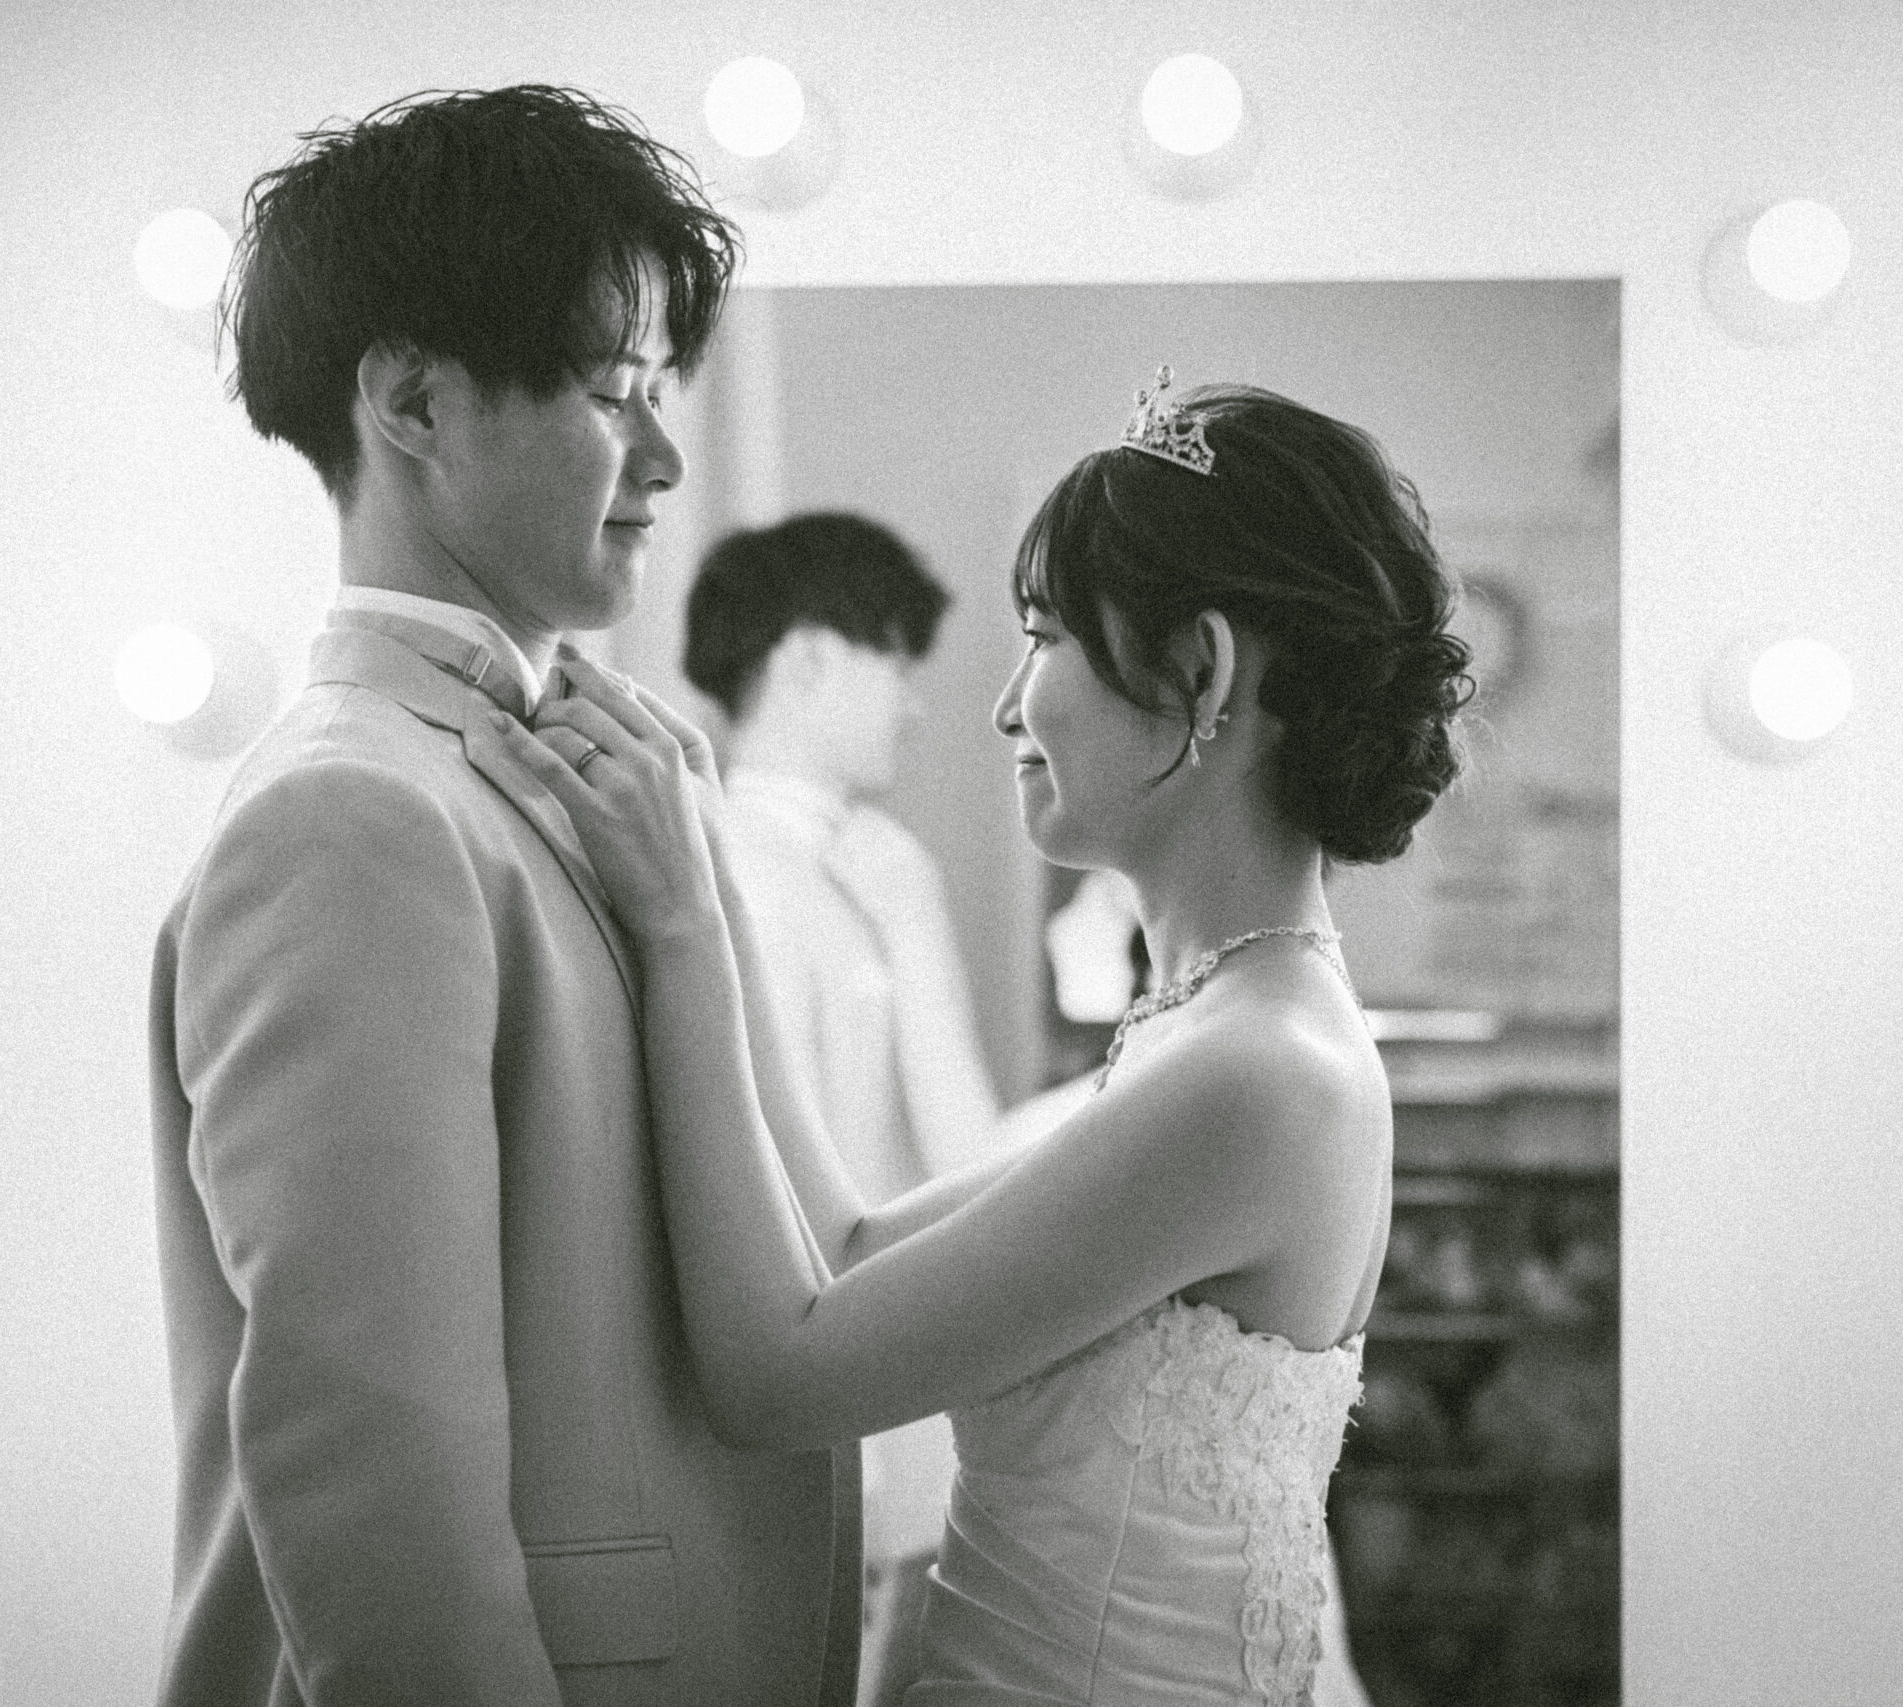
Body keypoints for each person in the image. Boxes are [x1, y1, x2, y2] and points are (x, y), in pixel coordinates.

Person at [496, 373, 1471, 1704]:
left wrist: (676, 931)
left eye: (1044, 637)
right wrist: (709, 887)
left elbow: (777, 1377)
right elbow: (845, 1250)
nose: (1007, 706)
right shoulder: (1213, 1027)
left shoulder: (1258, 1073)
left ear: (1201, 671)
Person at [146, 86, 862, 1707]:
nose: (664, 456)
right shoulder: (349, 816)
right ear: (412, 399)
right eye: (616, 393)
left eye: (664, 392)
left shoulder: (614, 766)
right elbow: (377, 1494)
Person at [682, 513, 1006, 1704]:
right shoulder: (743, 871)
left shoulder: (856, 864)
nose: (913, 706)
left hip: (874, 1368)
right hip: (826, 1386)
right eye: (896, 663)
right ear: (811, 655)